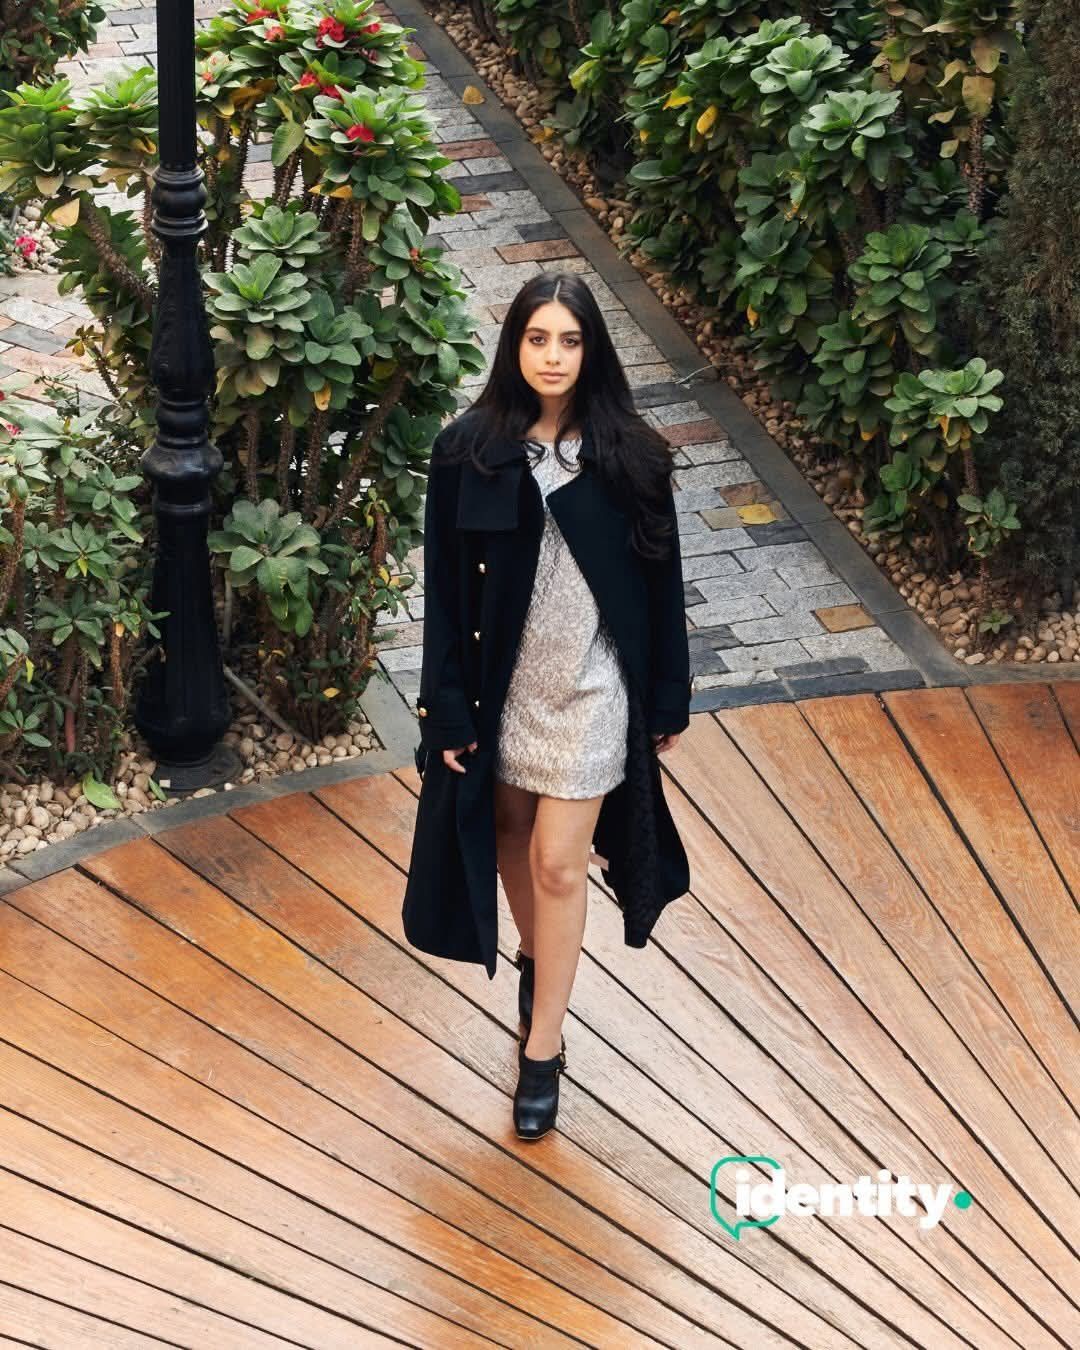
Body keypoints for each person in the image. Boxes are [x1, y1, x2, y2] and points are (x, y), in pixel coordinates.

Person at [402, 271, 692, 1140]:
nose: (553, 356)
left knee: (559, 865)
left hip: (594, 691)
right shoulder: (467, 452)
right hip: (502, 692)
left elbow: (663, 587)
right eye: (538, 339)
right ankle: (538, 956)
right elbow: (444, 592)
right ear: (515, 346)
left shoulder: (634, 457)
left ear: (591, 349)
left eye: (570, 340)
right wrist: (444, 707)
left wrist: (668, 696)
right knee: (507, 838)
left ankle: (542, 1048)